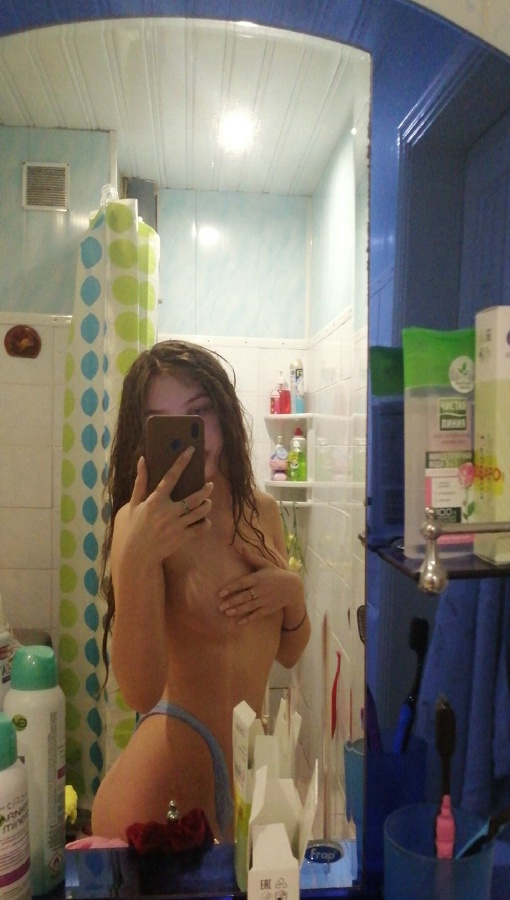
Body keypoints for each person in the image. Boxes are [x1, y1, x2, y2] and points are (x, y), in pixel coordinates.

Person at [91, 340, 310, 842]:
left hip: (244, 773)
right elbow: (139, 691)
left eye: (199, 412)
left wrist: (291, 593)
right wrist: (137, 558)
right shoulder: (141, 523)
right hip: (164, 782)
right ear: (144, 436)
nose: (189, 436)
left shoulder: (262, 512)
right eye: (162, 422)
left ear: (225, 413)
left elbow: (290, 652)